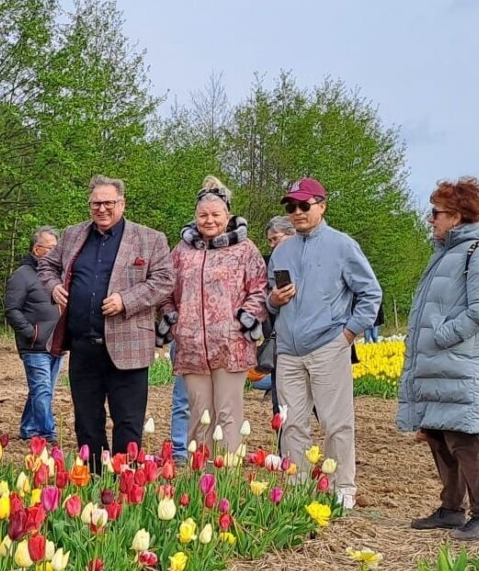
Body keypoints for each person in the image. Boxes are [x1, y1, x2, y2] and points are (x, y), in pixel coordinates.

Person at [401, 178, 479, 540]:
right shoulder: (446, 252)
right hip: (440, 362)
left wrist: (442, 335)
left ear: (458, 215)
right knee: (437, 433)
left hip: (462, 361)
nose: (431, 219)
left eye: (437, 212)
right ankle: (451, 509)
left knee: (463, 437)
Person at [38, 175, 174, 462]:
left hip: (128, 347)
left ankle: (125, 482)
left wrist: (127, 300)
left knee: (128, 423)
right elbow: (46, 266)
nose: (102, 209)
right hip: (83, 346)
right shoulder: (73, 234)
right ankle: (93, 479)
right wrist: (53, 287)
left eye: (108, 203)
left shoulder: (150, 238)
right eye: (95, 203)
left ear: (122, 203)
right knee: (87, 422)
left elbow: (164, 280)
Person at [267, 178, 381, 509]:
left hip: (328, 345)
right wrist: (273, 300)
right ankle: (297, 486)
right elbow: (267, 298)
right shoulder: (282, 250)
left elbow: (370, 293)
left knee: (335, 422)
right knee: (291, 424)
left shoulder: (342, 246)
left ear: (322, 205)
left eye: (304, 205)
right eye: (291, 206)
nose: (297, 212)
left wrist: (348, 333)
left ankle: (341, 487)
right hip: (288, 351)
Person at [162, 176, 268, 453]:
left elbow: (260, 287)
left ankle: (226, 472)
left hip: (231, 345)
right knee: (199, 414)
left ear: (227, 216)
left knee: (227, 414)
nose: (209, 220)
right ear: (195, 217)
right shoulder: (182, 251)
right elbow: (166, 289)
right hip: (191, 346)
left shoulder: (245, 249)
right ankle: (200, 474)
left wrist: (244, 320)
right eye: (203, 215)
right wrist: (173, 320)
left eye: (215, 215)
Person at [5, 226, 63, 442]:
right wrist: (32, 333)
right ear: (37, 249)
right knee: (42, 390)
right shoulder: (22, 275)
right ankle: (48, 433)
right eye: (51, 248)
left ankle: (29, 428)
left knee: (42, 390)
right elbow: (12, 310)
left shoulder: (58, 275)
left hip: (57, 342)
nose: (56, 252)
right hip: (35, 345)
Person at [247, 215, 295, 411]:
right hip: (278, 339)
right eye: (269, 240)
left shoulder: (312, 260)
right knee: (280, 402)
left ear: (292, 234)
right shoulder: (267, 264)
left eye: (276, 238)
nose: (272, 244)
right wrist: (272, 301)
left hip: (311, 340)